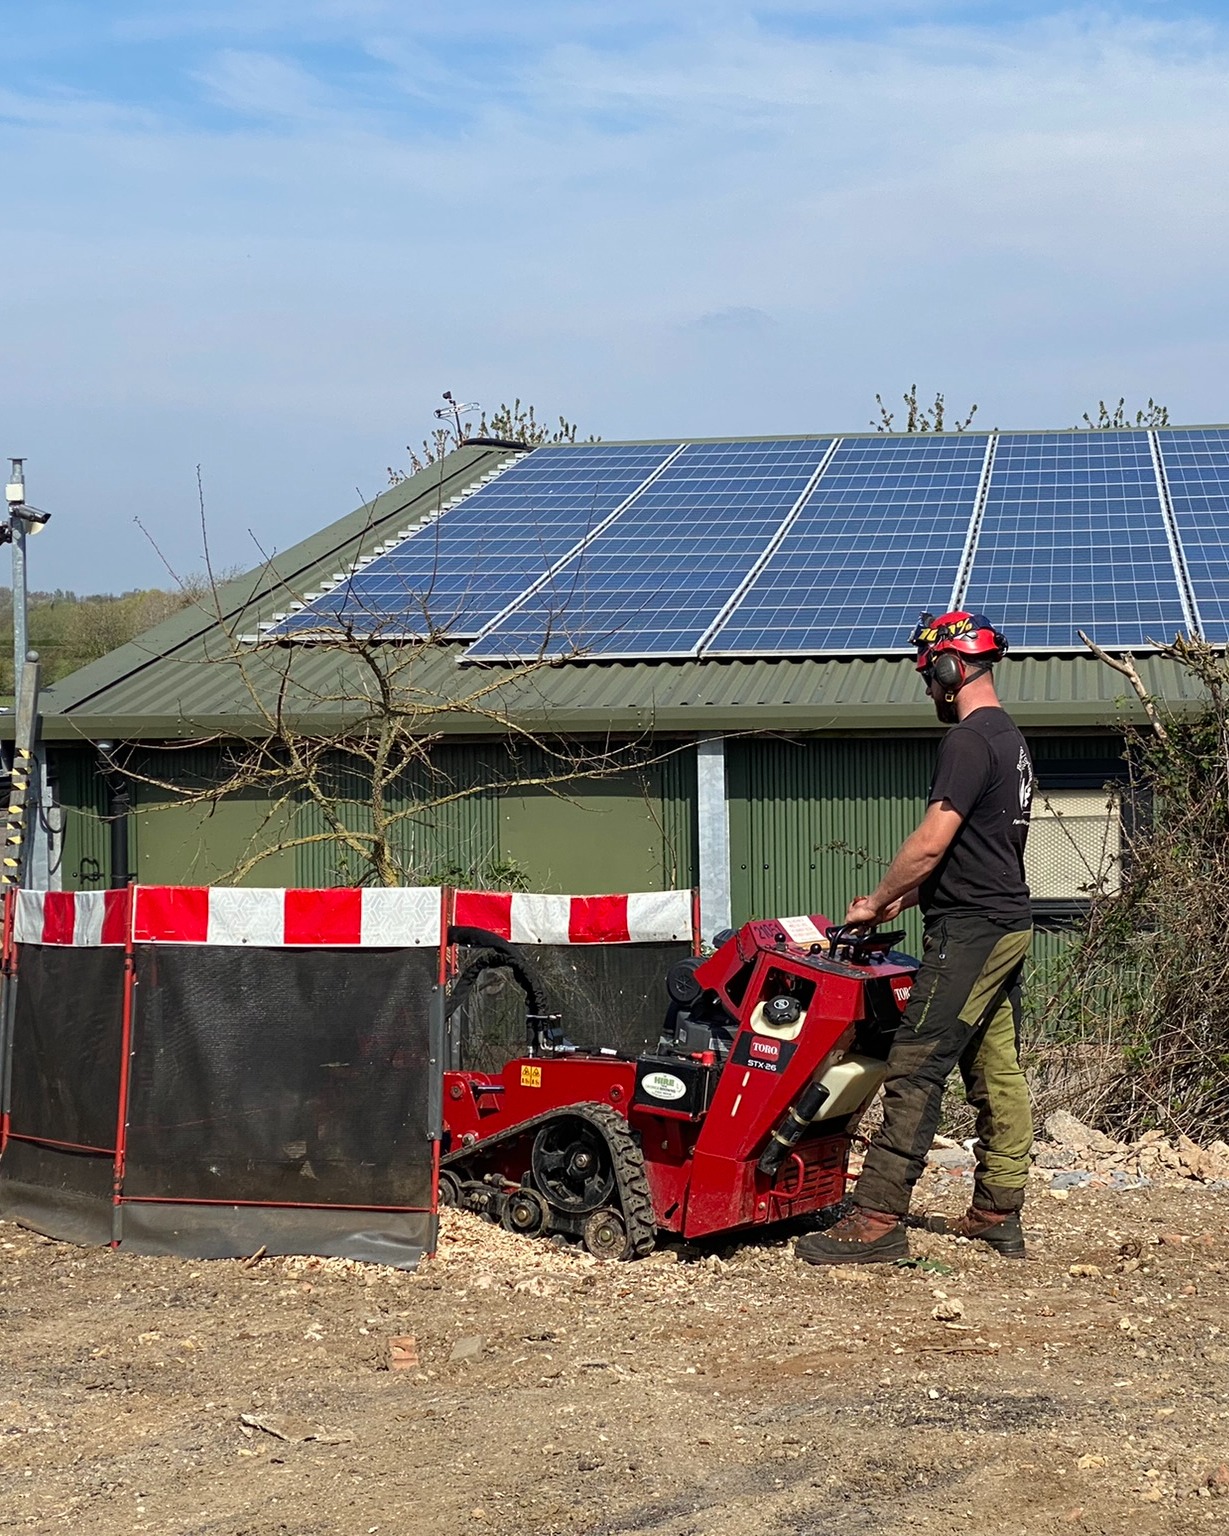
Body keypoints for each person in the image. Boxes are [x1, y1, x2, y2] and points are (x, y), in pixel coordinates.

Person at [796, 610, 1035, 1265]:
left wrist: (875, 898)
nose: (927, 687)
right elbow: (972, 852)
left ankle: (874, 1221)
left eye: (929, 675)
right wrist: (889, 906)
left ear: (951, 668)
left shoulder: (965, 742)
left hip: (969, 930)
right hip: (1005, 923)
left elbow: (931, 843)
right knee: (995, 1071)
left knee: (913, 1065)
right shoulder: (1009, 738)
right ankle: (996, 1212)